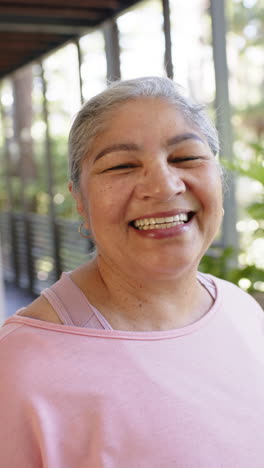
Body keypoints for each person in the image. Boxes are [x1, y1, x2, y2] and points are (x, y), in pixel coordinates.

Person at [0, 76, 263, 468]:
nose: (163, 185)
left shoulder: (243, 312)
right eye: (122, 165)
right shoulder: (21, 366)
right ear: (80, 203)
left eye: (186, 158)